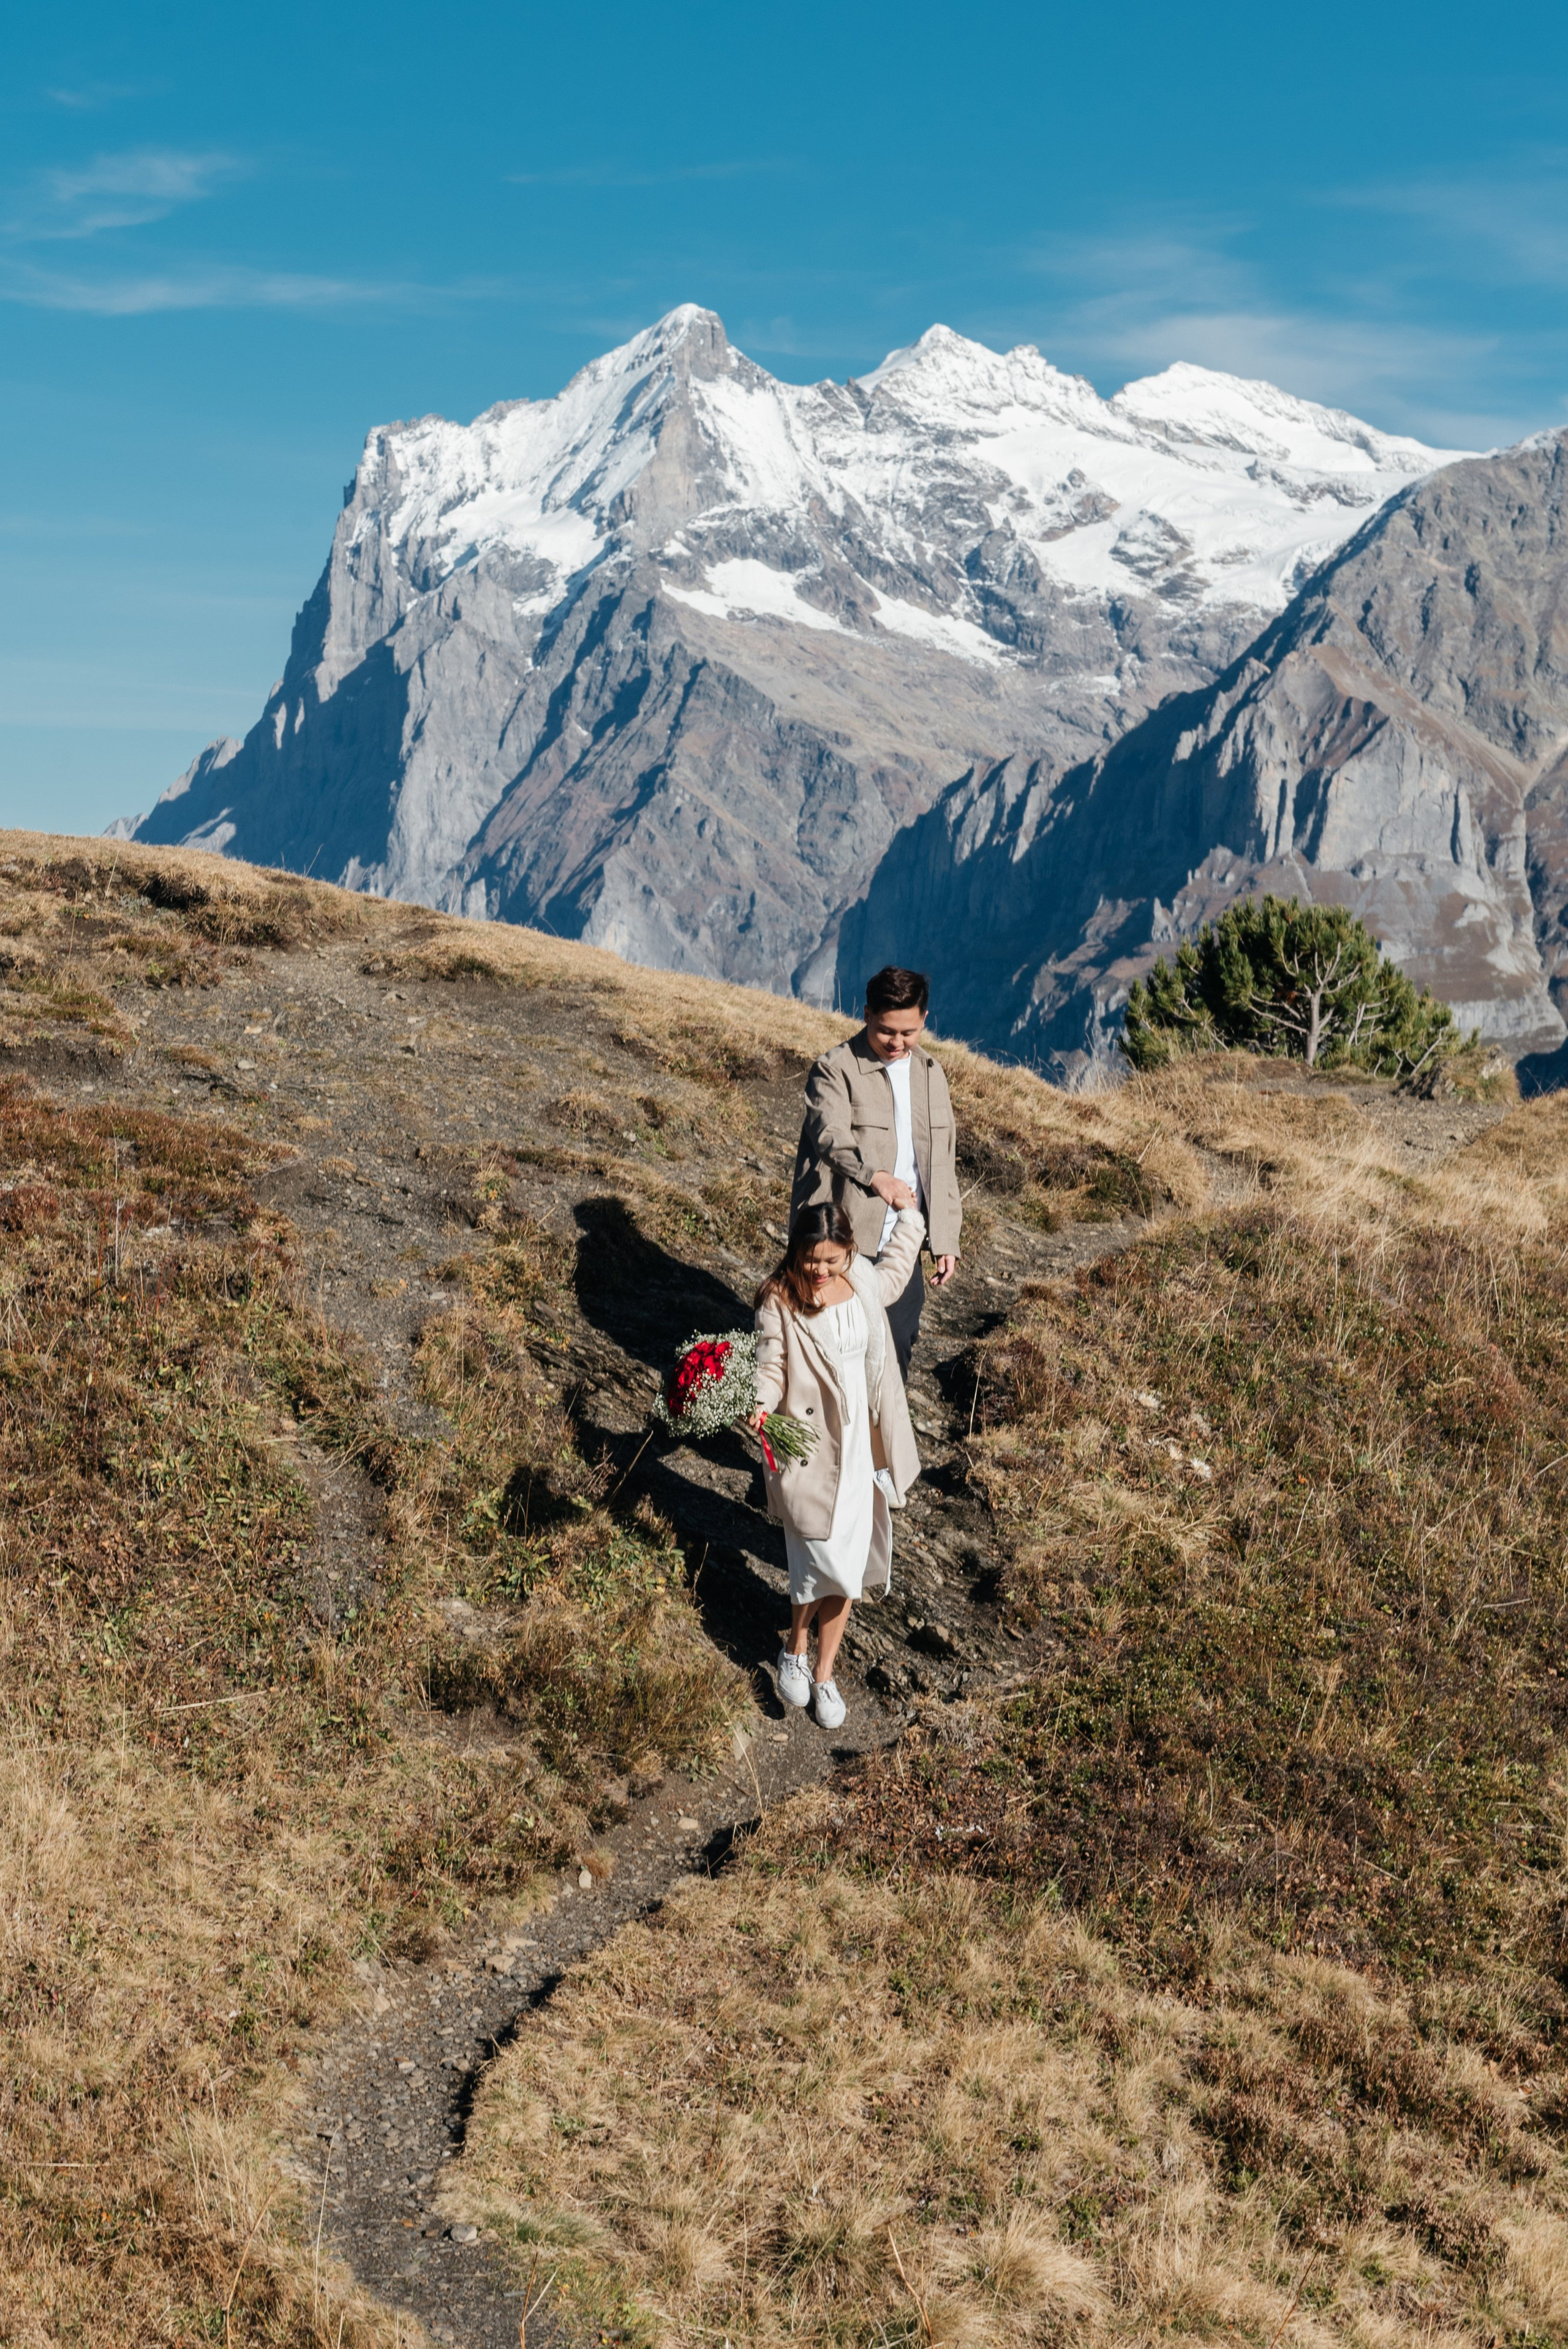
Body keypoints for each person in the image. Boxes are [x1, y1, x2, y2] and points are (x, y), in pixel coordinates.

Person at [750, 1198, 925, 1729]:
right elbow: (772, 1365)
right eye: (812, 1259)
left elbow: (896, 1270)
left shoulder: (863, 1279)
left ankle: (823, 1674)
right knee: (815, 1562)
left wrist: (911, 1217)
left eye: (832, 1259)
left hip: (860, 1452)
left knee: (847, 1571)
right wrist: (759, 1404)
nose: (821, 1270)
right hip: (812, 1453)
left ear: (849, 1251)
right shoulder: (779, 1300)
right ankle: (795, 1647)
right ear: (796, 1251)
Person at [791, 966, 962, 1379]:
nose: (897, 1042)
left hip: (903, 1240)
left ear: (924, 1019)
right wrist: (876, 1176)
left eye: (908, 1032)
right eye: (886, 1030)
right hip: (841, 1240)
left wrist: (945, 1238)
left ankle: (881, 1423)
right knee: (833, 1351)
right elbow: (829, 1136)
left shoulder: (931, 1074)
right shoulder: (835, 1069)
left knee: (896, 1348)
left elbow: (942, 1160)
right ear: (867, 1014)